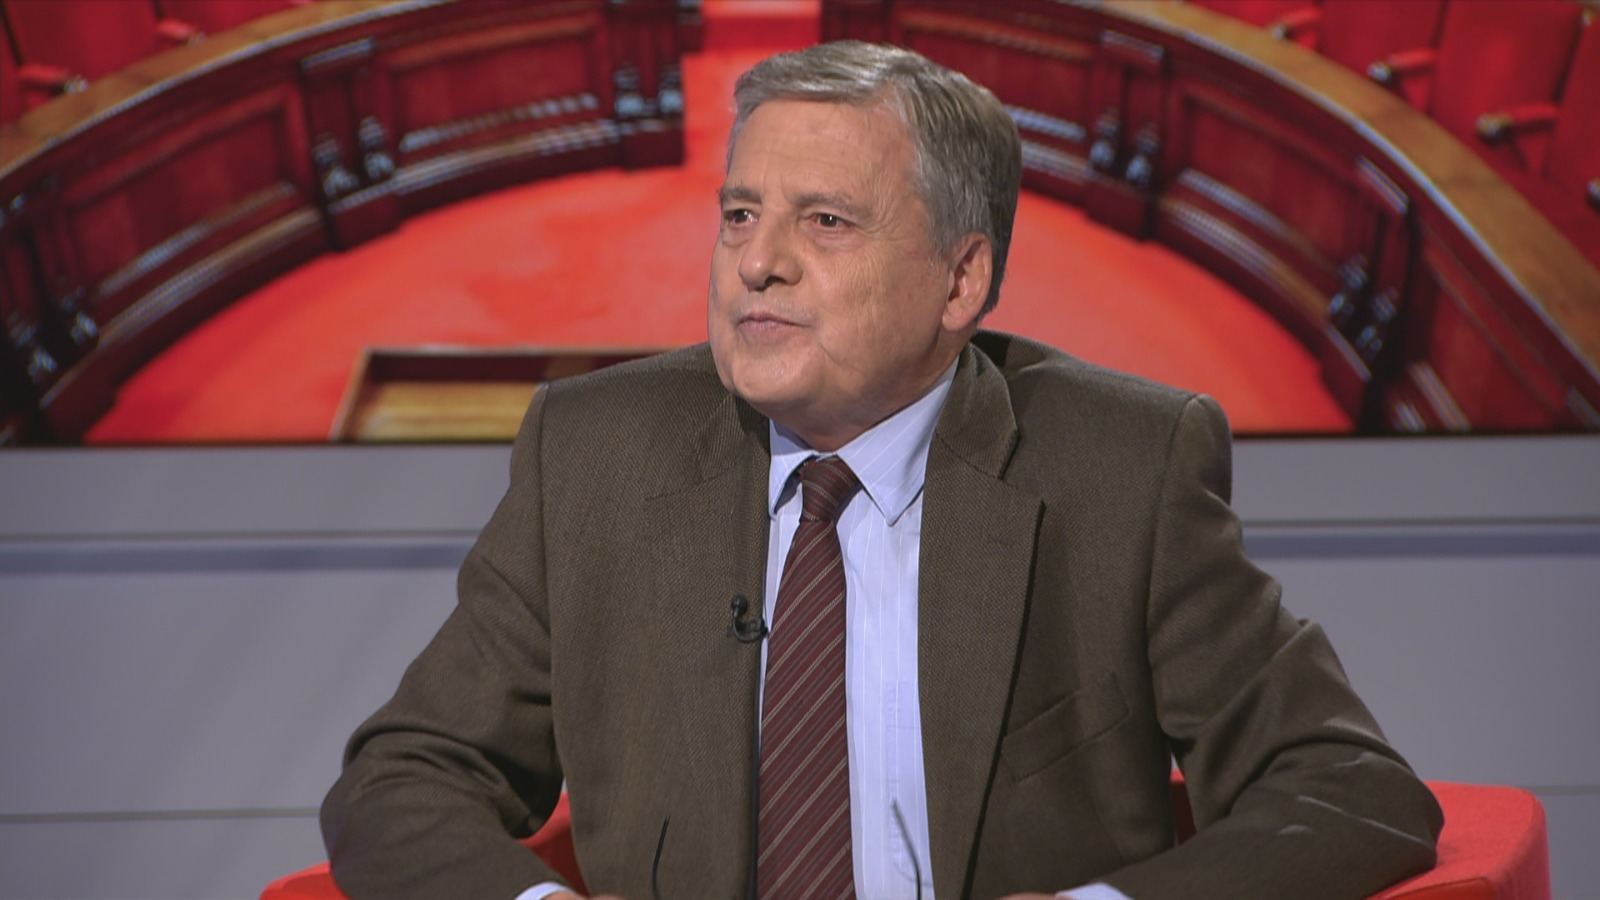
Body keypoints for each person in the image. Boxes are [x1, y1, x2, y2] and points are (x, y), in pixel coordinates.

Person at [320, 41, 1442, 900]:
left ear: (960, 282)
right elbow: (399, 781)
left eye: (825, 221)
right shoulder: (596, 453)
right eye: (740, 215)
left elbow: (1349, 792)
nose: (757, 261)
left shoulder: (1120, 469)